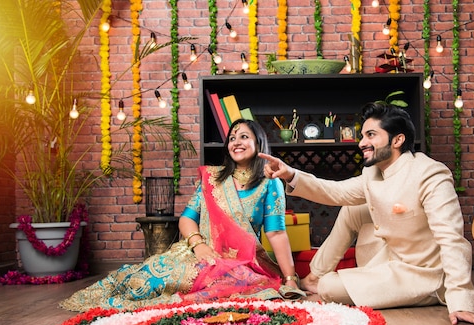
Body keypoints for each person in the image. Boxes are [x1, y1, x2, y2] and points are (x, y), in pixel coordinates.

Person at [260, 102, 474, 325]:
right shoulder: (372, 174)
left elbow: (452, 240)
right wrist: (290, 174)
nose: (362, 143)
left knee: (330, 288)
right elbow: (334, 191)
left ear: (398, 140)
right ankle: (314, 276)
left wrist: (461, 302)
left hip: (423, 274)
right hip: (389, 256)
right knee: (352, 209)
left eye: (371, 135)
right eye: (363, 136)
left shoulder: (430, 175)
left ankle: (328, 283)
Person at [60, 119, 304, 312]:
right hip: (199, 252)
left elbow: (276, 232)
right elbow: (187, 218)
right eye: (232, 138)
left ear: (258, 143)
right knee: (146, 281)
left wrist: (290, 278)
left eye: (244, 137)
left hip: (239, 263)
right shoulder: (213, 178)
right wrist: (198, 245)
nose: (236, 142)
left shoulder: (270, 183)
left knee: (238, 286)